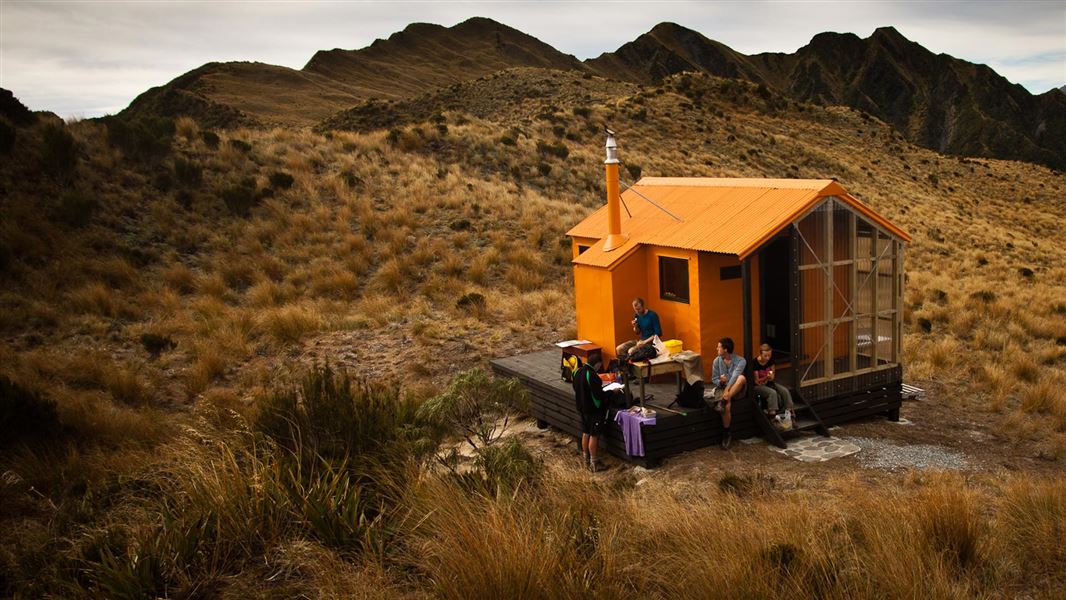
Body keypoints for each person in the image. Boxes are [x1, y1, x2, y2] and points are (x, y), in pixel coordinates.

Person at [573, 355, 610, 472]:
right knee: (594, 435)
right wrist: (611, 392)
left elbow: (575, 388)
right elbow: (598, 395)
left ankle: (586, 460)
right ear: (597, 364)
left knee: (586, 432)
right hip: (594, 410)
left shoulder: (577, 371)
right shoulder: (592, 375)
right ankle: (594, 463)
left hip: (581, 408)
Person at [711, 337, 746, 450]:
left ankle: (723, 400)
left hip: (736, 388)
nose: (717, 348)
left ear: (725, 349)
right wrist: (720, 381)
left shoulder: (741, 361)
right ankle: (726, 433)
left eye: (719, 347)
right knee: (727, 405)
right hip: (722, 388)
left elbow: (735, 376)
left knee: (741, 378)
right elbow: (714, 379)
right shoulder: (717, 361)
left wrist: (727, 390)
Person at [752, 342, 794, 419]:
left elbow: (772, 376)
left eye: (769, 355)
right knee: (772, 393)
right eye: (765, 356)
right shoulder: (755, 363)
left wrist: (770, 377)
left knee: (784, 390)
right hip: (758, 386)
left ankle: (790, 413)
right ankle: (772, 415)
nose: (767, 358)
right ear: (760, 354)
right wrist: (766, 378)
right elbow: (756, 381)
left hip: (769, 382)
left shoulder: (771, 361)